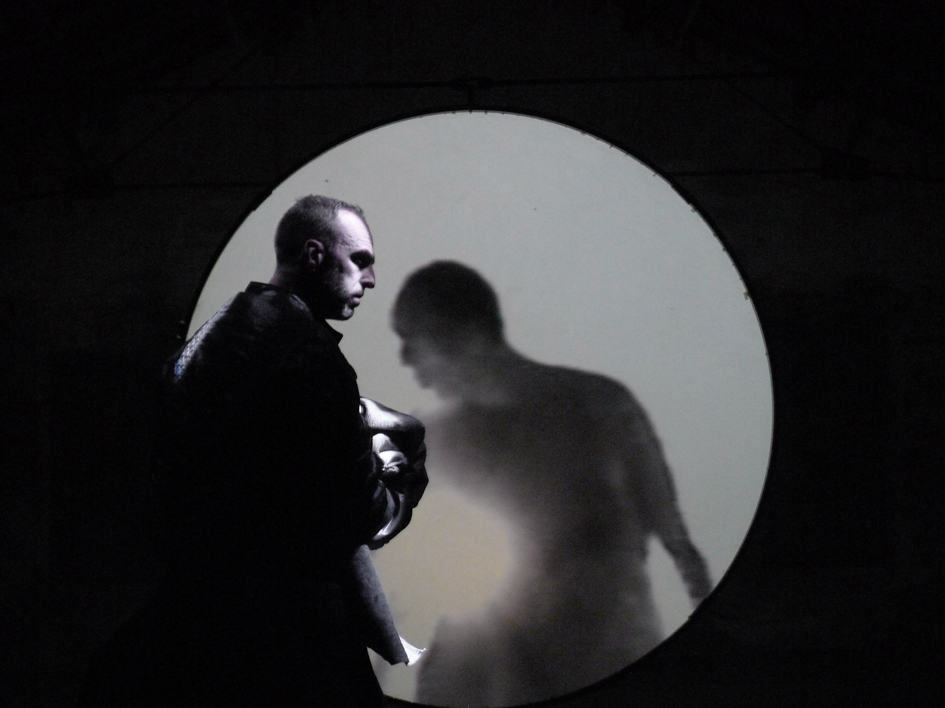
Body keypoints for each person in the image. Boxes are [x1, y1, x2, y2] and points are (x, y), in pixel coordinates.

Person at [78, 196, 427, 707]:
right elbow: (359, 516)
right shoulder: (311, 358)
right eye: (359, 261)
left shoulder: (207, 340)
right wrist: (400, 475)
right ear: (314, 255)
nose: (370, 280)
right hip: (283, 642)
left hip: (196, 623)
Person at [391, 261, 711, 708]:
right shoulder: (431, 441)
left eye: (413, 337)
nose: (406, 359)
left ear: (464, 334)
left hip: (601, 667)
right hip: (490, 679)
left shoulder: (603, 406)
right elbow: (394, 585)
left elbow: (678, 543)